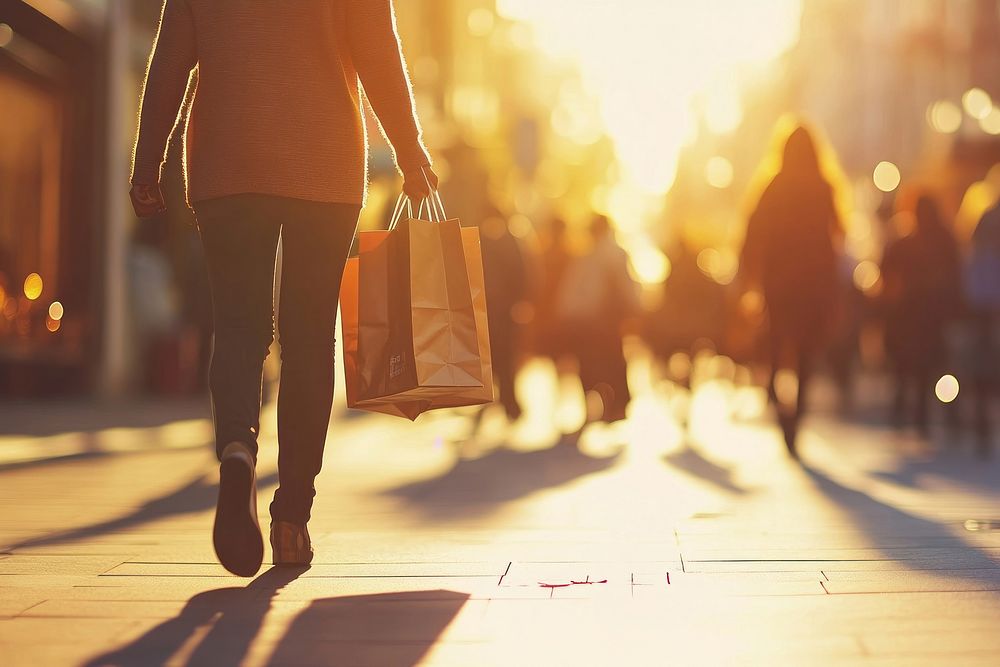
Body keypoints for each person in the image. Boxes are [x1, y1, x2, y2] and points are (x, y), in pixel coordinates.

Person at [130, 0, 438, 576]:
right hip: (323, 164)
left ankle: (237, 451)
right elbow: (378, 54)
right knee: (309, 340)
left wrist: (148, 162)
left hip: (228, 164)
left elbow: (170, 57)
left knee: (240, 328)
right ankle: (293, 515)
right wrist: (411, 153)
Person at [740, 125, 843, 457]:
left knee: (777, 339)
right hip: (813, 283)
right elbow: (837, 235)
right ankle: (796, 412)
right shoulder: (823, 187)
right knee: (805, 354)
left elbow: (752, 235)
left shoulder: (773, 187)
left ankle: (772, 387)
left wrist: (750, 280)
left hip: (779, 282)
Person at [881, 194, 962, 436]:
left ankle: (908, 411)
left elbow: (885, 268)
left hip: (913, 312)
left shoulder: (906, 241)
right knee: (931, 365)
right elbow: (956, 274)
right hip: (931, 313)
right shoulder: (945, 240)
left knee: (910, 365)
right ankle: (932, 415)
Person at [556, 215, 639, 423]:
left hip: (591, 321)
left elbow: (573, 290)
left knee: (591, 364)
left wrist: (567, 312)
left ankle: (600, 404)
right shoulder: (610, 253)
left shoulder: (588, 255)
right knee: (611, 363)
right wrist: (636, 308)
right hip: (605, 322)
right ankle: (614, 404)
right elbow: (628, 286)